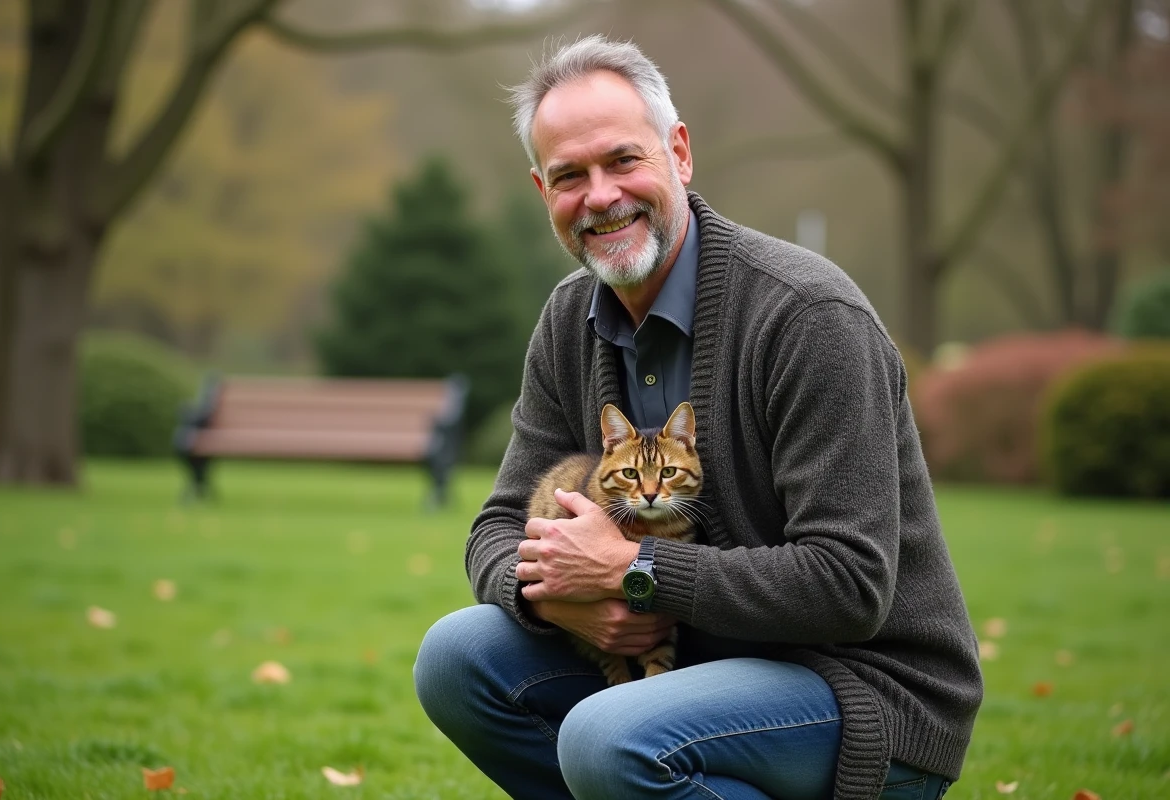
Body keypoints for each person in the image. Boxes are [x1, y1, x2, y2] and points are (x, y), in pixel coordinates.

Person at [414, 35, 982, 800]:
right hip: (688, 667)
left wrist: (636, 573)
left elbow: (850, 583)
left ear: (679, 153)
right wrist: (562, 601)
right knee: (456, 657)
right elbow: (497, 528)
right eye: (569, 176)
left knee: (608, 737)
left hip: (860, 683)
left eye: (623, 160)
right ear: (542, 191)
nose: (600, 196)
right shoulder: (567, 321)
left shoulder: (808, 317)